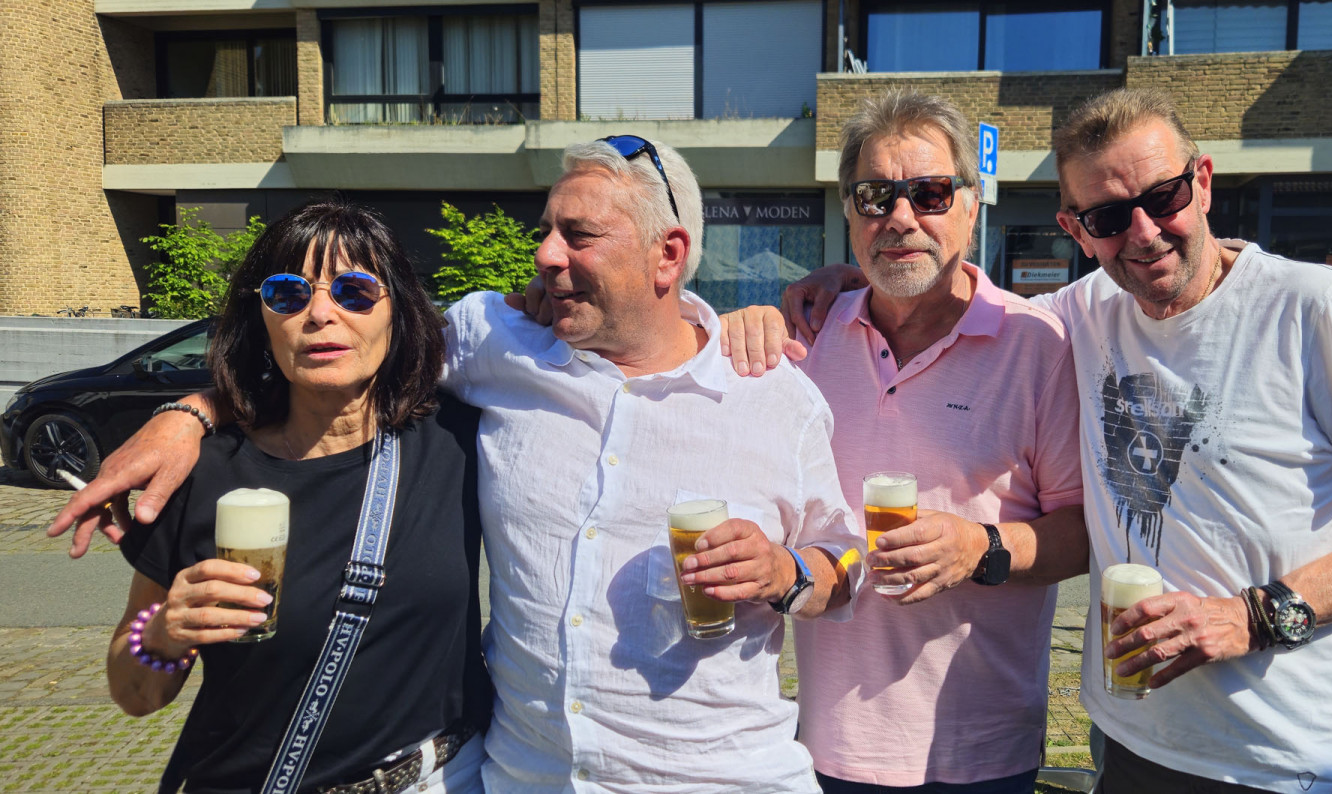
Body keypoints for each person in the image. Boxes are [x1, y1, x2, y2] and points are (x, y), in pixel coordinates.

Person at [55, 137, 864, 791]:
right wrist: (189, 415)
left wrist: (787, 571)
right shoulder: (488, 351)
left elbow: (848, 562)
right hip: (523, 778)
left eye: (577, 235)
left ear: (668, 255)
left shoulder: (769, 394)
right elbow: (136, 685)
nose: (545, 255)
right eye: (288, 296)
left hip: (702, 778)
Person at [748, 87, 1332, 793]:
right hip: (1132, 738)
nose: (1144, 233)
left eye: (1164, 197)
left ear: (1203, 181)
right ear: (1076, 230)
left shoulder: (1307, 306)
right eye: (1108, 216)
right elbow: (932, 286)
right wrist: (837, 285)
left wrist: (1253, 616)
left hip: (1297, 756)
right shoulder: (1080, 314)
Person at [724, 90, 1087, 793]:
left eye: (929, 193)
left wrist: (980, 548)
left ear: (971, 206)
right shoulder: (803, 339)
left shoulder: (1038, 345)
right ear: (849, 213)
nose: (900, 217)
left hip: (982, 749)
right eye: (874, 196)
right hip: (828, 742)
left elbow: (1081, 533)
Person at [104, 200, 489, 792]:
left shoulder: (458, 441)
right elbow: (135, 695)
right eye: (287, 294)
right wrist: (164, 634)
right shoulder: (203, 471)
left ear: (397, 312)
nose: (321, 314)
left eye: (355, 292)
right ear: (260, 318)